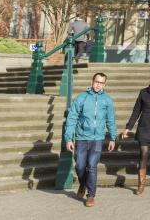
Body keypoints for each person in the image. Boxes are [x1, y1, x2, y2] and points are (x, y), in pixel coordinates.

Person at [63, 73, 116, 207]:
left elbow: (110, 120)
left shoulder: (107, 100)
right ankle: (83, 184)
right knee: (80, 166)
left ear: (105, 84)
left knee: (92, 166)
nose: (98, 85)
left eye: (101, 83)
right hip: (81, 137)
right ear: (92, 81)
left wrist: (113, 138)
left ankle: (91, 195)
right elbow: (72, 118)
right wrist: (69, 138)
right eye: (96, 82)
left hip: (98, 138)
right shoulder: (82, 98)